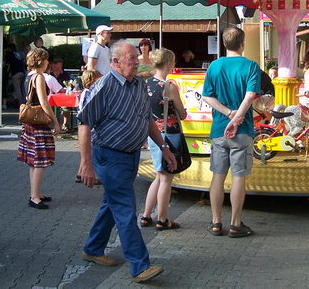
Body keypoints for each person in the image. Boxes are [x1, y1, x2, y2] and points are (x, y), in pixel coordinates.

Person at [76, 40, 176, 284]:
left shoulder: (139, 85)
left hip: (130, 155)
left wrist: (164, 147)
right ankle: (140, 265)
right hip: (109, 156)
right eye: (130, 58)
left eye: (136, 57)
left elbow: (147, 119)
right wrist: (85, 163)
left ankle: (93, 248)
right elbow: (84, 122)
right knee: (124, 209)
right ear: (115, 62)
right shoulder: (104, 86)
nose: (136, 61)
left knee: (112, 203)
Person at [202, 26, 260, 239]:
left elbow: (207, 96)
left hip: (218, 129)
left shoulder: (214, 66)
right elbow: (250, 95)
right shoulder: (251, 66)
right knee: (238, 178)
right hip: (242, 130)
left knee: (217, 177)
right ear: (242, 43)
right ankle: (235, 223)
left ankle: (216, 222)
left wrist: (227, 114)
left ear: (224, 44)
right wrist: (236, 119)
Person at [139, 48, 187, 231]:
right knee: (166, 178)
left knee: (158, 176)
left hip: (153, 134)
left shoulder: (146, 84)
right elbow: (182, 113)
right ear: (168, 64)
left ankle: (145, 215)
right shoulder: (169, 87)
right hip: (170, 133)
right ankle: (162, 218)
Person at [18, 48, 60, 210]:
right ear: (41, 61)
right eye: (46, 59)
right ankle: (35, 197)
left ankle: (34, 192)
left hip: (29, 122)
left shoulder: (29, 76)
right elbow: (44, 102)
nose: (48, 62)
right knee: (40, 160)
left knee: (32, 161)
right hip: (39, 122)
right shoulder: (40, 77)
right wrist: (55, 121)